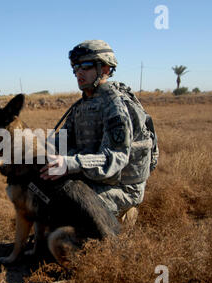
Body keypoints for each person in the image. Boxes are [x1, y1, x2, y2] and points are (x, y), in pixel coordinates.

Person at [40, 40, 159, 225]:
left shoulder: (115, 106)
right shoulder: (83, 105)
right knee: (37, 188)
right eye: (76, 67)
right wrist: (29, 148)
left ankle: (122, 218)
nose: (79, 72)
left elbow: (116, 157)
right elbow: (61, 141)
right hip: (93, 178)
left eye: (86, 66)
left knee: (69, 202)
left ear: (105, 69)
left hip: (122, 187)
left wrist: (69, 163)